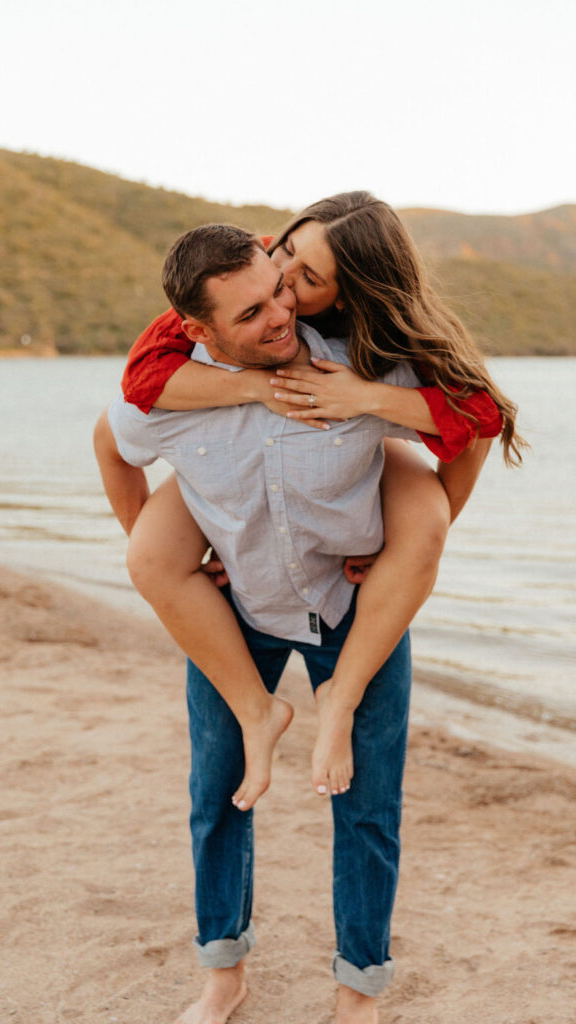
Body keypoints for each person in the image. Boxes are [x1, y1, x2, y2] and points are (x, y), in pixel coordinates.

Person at [93, 219, 522, 1024]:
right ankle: (223, 976)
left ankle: (357, 990)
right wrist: (173, 559)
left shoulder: (355, 367)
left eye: (281, 289)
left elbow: (468, 423)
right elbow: (113, 444)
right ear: (199, 329)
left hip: (349, 611)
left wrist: (418, 537)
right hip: (238, 610)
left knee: (367, 806)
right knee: (215, 792)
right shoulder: (175, 391)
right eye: (251, 312)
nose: (280, 313)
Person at [113, 193, 522, 814]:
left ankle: (343, 693)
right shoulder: (239, 286)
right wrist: (252, 386)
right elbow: (139, 385)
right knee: (149, 555)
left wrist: (369, 399)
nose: (284, 285)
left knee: (427, 521)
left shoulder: (379, 336)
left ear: (348, 297)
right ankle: (260, 714)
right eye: (286, 252)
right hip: (257, 470)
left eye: (306, 280)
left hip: (365, 450)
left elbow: (482, 415)